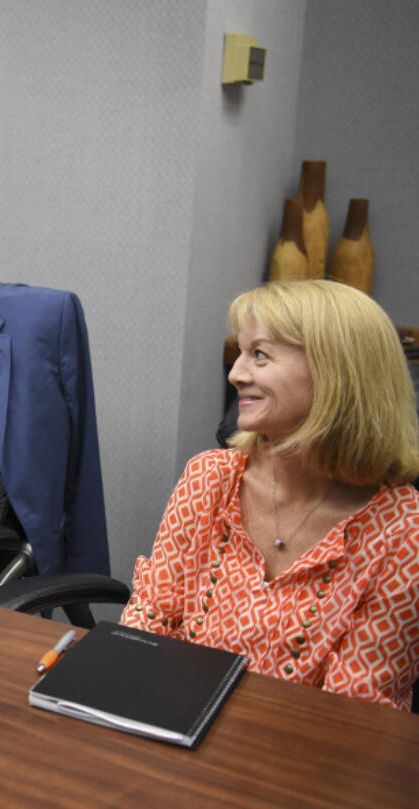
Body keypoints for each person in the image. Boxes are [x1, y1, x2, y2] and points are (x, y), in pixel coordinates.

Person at [121, 279, 419, 710]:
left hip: (297, 765)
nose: (236, 373)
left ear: (334, 371)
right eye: (242, 353)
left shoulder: (403, 532)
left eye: (259, 355)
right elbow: (151, 620)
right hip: (170, 723)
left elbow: (354, 716)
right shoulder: (209, 479)